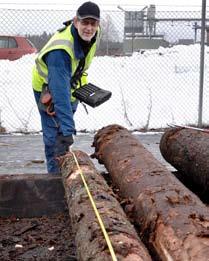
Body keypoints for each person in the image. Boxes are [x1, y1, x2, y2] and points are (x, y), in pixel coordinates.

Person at [32, 1, 101, 174]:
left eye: (93, 23)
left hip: (68, 83)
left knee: (64, 131)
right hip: (48, 89)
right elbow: (59, 93)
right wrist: (66, 130)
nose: (89, 28)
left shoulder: (94, 35)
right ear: (75, 21)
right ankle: (55, 179)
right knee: (55, 138)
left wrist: (83, 89)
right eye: (85, 22)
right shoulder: (60, 51)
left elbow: (81, 65)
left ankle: (65, 161)